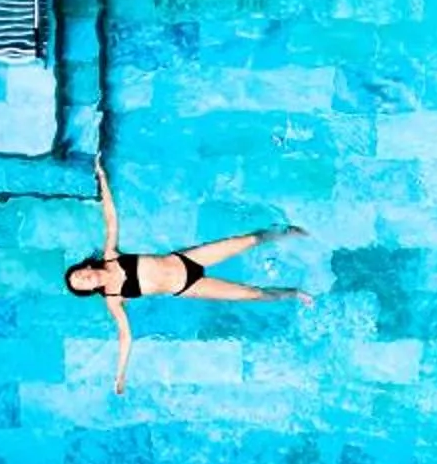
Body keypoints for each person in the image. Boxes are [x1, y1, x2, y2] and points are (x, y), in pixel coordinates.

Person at [63, 155, 309, 394]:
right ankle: (295, 293)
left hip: (186, 259)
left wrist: (103, 178)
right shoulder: (113, 298)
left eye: (80, 276)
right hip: (187, 286)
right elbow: (125, 336)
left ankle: (285, 233)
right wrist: (120, 375)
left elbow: (111, 219)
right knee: (252, 294)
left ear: (85, 268)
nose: (85, 280)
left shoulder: (111, 256)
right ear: (87, 291)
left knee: (248, 240)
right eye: (81, 286)